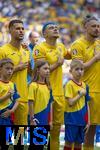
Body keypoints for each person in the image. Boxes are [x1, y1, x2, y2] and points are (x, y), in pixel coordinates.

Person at [33, 22, 71, 150]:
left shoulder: (61, 46)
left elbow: (71, 54)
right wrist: (58, 64)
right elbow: (38, 70)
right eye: (51, 27)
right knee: (40, 129)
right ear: (44, 34)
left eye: (56, 27)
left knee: (56, 129)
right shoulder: (40, 48)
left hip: (59, 93)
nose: (55, 28)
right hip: (44, 92)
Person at [71, 15, 100, 150]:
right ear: (85, 28)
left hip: (98, 90)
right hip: (85, 91)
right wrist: (95, 58)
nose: (97, 29)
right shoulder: (78, 44)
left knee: (93, 127)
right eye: (93, 26)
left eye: (98, 26)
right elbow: (78, 67)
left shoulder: (98, 44)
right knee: (83, 128)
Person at [0, 19, 30, 125]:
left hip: (22, 97)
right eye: (17, 28)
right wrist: (17, 68)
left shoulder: (26, 51)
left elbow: (30, 73)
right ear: (10, 31)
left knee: (20, 134)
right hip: (6, 99)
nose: (21, 31)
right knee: (6, 135)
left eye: (22, 29)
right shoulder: (3, 51)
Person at [64, 60, 90, 150]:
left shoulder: (85, 85)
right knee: (69, 142)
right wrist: (80, 95)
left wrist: (88, 121)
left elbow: (87, 104)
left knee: (79, 144)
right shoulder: (69, 85)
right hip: (71, 119)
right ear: (71, 71)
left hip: (82, 120)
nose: (80, 71)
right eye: (77, 69)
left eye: (82, 69)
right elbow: (70, 103)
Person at [28, 59, 53, 125]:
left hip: (45, 119)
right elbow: (30, 103)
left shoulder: (48, 86)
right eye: (45, 68)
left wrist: (50, 121)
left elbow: (50, 105)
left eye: (48, 69)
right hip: (36, 119)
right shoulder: (33, 85)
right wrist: (32, 119)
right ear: (38, 70)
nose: (48, 71)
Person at [0, 58, 20, 125]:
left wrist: (12, 111)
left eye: (11, 69)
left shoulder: (12, 84)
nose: (10, 71)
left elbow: (17, 100)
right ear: (0, 69)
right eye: (7, 68)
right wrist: (7, 95)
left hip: (8, 116)